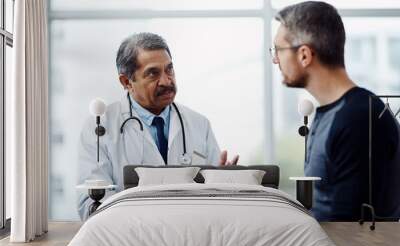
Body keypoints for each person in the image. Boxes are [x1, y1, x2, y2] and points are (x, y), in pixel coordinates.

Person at [77, 32, 239, 220]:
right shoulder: (100, 128)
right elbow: (89, 203)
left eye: (169, 69)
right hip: (131, 235)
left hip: (190, 230)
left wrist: (222, 182)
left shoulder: (198, 123)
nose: (166, 81)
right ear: (126, 82)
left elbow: (212, 197)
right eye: (153, 73)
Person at [272, 1, 400, 221]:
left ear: (304, 55)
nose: (275, 59)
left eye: (278, 50)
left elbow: (352, 228)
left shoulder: (359, 119)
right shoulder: (331, 115)